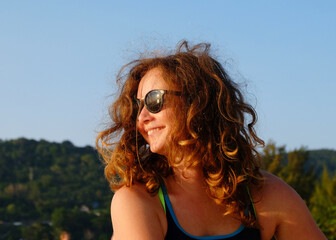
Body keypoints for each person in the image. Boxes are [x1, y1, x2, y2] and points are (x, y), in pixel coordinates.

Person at [96, 41, 326, 240]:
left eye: (154, 100)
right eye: (138, 106)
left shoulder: (267, 194)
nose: (142, 117)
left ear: (198, 102)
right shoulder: (137, 201)